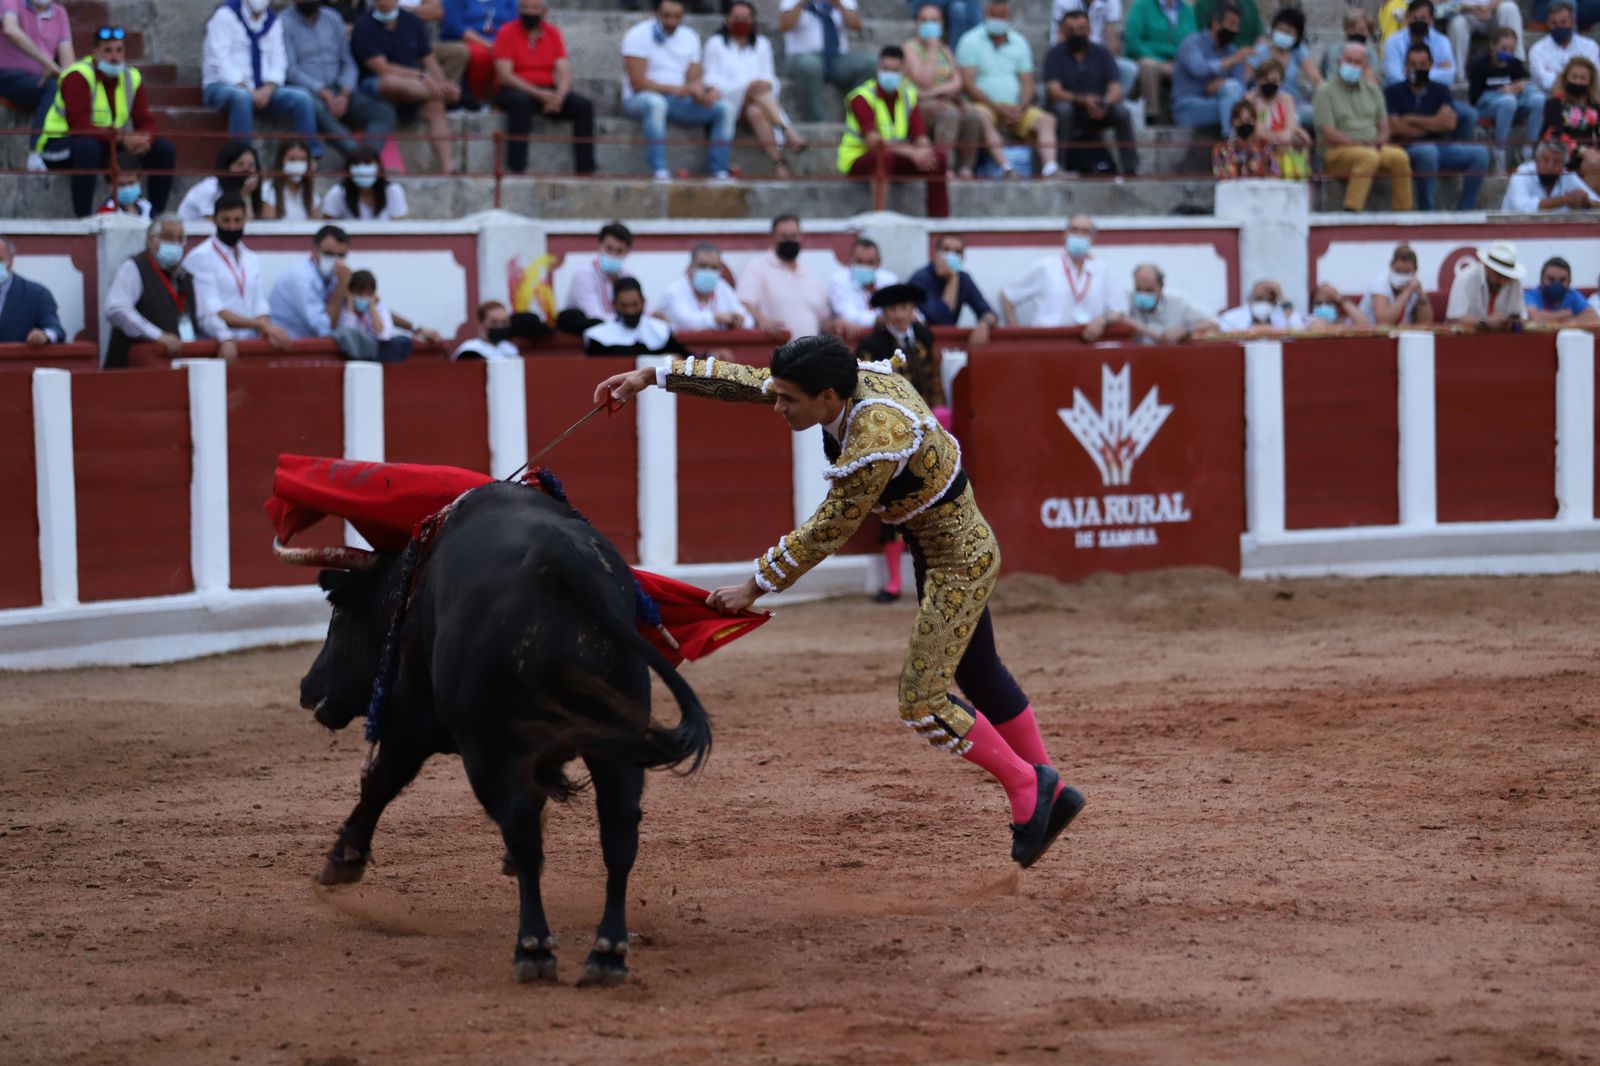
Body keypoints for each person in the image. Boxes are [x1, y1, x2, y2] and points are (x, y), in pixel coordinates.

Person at [595, 338, 1088, 868]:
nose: (777, 406)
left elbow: (830, 528)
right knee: (981, 672)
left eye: (788, 400)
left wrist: (753, 586)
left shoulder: (878, 432)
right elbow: (745, 382)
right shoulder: (842, 388)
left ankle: (1028, 784)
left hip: (958, 562)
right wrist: (651, 377)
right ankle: (1049, 792)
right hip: (945, 548)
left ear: (827, 397)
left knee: (922, 703)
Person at [855, 282, 944, 606]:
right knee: (893, 504)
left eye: (905, 307)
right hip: (891, 434)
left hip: (927, 430)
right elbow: (864, 390)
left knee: (932, 500)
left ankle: (935, 574)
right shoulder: (872, 344)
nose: (900, 314)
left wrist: (938, 417)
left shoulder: (922, 337)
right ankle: (894, 581)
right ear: (885, 312)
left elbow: (932, 381)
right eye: (893, 309)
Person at [35, 26, 176, 218]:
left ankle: (156, 217)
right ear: (95, 53)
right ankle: (83, 220)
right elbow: (79, 126)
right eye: (107, 51)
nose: (115, 57)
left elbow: (146, 120)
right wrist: (122, 138)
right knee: (88, 148)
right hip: (58, 146)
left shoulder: (131, 76)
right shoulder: (78, 75)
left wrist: (144, 139)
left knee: (163, 150)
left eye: (119, 50)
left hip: (106, 143)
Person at [620, 0, 734, 183]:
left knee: (725, 108)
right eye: (666, 16)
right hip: (639, 99)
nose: (671, 21)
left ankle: (719, 171)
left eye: (676, 17)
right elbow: (637, 83)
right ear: (656, 13)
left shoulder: (689, 37)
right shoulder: (637, 35)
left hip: (678, 102)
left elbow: (694, 78)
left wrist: (703, 92)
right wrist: (678, 90)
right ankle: (659, 171)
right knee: (656, 103)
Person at [200, 0, 321, 161]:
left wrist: (269, 88)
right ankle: (242, 159)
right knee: (241, 97)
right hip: (221, 86)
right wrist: (246, 89)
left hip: (262, 90)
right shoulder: (225, 15)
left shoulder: (273, 22)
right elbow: (218, 60)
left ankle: (310, 157)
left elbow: (279, 62)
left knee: (303, 98)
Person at [839, 46, 950, 217]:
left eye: (894, 70)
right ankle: (880, 218)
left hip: (894, 156)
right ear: (877, 69)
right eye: (885, 69)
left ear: (903, 71)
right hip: (859, 160)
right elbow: (873, 142)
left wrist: (924, 152)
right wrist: (912, 153)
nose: (889, 74)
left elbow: (919, 134)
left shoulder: (907, 95)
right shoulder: (861, 97)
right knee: (883, 157)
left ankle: (940, 223)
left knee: (938, 158)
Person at [352, 0, 460, 174]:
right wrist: (425, 78)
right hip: (375, 85)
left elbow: (429, 58)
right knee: (392, 82)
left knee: (435, 107)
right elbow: (382, 69)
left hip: (415, 87)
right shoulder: (363, 26)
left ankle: (448, 167)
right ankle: (443, 94)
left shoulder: (412, 21)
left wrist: (441, 82)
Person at [283, 0, 398, 163]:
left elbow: (348, 62)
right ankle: (361, 160)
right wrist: (323, 92)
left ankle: (366, 158)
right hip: (309, 92)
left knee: (383, 112)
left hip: (340, 88)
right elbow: (290, 69)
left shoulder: (333, 18)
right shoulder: (283, 23)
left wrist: (344, 93)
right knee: (311, 106)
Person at [491, 0, 595, 176]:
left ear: (544, 11)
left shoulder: (553, 33)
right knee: (521, 103)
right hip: (513, 90)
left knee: (583, 106)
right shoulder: (506, 32)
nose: (529, 12)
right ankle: (517, 168)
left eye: (534, 8)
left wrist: (560, 96)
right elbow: (505, 75)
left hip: (546, 90)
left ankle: (586, 170)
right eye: (525, 8)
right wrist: (538, 94)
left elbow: (564, 71)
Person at [956, 0, 1060, 177]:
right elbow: (967, 83)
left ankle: (1050, 168)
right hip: (985, 106)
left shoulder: (1020, 42)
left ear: (1009, 16)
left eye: (1001, 16)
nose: (997, 20)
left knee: (1047, 120)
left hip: (1015, 108)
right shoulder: (970, 40)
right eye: (993, 16)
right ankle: (1007, 168)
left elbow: (1028, 82)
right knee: (980, 116)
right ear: (985, 15)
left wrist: (1021, 107)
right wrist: (995, 107)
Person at [182, 194, 290, 362]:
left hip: (250, 344)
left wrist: (265, 327)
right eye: (226, 220)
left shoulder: (251, 257)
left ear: (245, 220)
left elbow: (259, 304)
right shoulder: (201, 257)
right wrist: (262, 325)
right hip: (216, 345)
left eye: (237, 220)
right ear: (214, 220)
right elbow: (213, 310)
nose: (232, 226)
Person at [704, 1, 805, 178]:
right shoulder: (715, 44)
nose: (741, 22)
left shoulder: (761, 44)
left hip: (758, 102)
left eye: (745, 18)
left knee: (755, 112)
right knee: (754, 90)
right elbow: (711, 78)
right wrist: (745, 86)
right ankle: (788, 131)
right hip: (730, 98)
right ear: (727, 20)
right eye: (737, 18)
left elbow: (768, 76)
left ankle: (778, 163)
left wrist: (762, 83)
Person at [1385, 43, 1490, 211]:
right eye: (1413, 64)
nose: (1418, 68)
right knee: (1427, 151)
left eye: (1422, 64)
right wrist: (1434, 123)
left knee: (1480, 154)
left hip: (1441, 148)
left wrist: (1411, 118)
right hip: (1407, 149)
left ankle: (1464, 212)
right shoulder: (1393, 92)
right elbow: (1395, 127)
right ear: (1405, 66)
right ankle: (1428, 214)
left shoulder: (1440, 90)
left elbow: (1449, 123)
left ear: (1430, 64)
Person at [1313, 43, 1414, 211]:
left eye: (1357, 62)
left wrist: (1378, 142)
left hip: (1372, 147)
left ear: (1365, 66)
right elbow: (1328, 132)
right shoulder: (1325, 92)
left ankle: (1403, 212)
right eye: (1349, 61)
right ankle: (1352, 210)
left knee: (1399, 157)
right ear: (1339, 62)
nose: (1352, 65)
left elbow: (1384, 128)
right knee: (1367, 157)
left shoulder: (1373, 90)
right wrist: (1361, 146)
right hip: (1337, 151)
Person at [1044, 7, 1138, 175]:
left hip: (1098, 108)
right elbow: (1053, 91)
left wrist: (1105, 103)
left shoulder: (1102, 53)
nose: (1077, 33)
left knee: (1121, 112)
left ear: (1089, 30)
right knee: (1062, 110)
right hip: (1072, 108)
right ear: (1064, 32)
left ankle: (1130, 168)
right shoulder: (1054, 55)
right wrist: (1082, 100)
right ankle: (1060, 167)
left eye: (1081, 29)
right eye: (1071, 30)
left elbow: (1115, 87)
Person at [903, 3, 993, 178]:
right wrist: (931, 50)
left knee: (971, 113)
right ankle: (944, 165)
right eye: (925, 20)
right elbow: (925, 81)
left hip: (937, 98)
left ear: (942, 23)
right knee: (949, 113)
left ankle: (966, 167)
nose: (930, 24)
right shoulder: (909, 49)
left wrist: (936, 93)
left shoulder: (945, 50)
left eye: (934, 20)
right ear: (917, 23)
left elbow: (957, 81)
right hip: (918, 106)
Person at [104, 216, 201, 368]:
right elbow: (116, 309)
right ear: (151, 240)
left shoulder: (183, 276)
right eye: (168, 237)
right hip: (134, 367)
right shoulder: (134, 267)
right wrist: (157, 335)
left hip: (175, 363)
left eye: (180, 239)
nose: (175, 244)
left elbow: (202, 315)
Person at [1000, 214, 1116, 335]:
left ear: (1093, 238)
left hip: (1089, 343)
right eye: (1074, 230)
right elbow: (1007, 296)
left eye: (1085, 231)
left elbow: (1118, 310)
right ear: (1065, 235)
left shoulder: (1103, 270)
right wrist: (1017, 334)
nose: (1079, 235)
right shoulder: (1045, 267)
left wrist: (1102, 320)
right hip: (1050, 343)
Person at [0, 0, 73, 174]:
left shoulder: (59, 12)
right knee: (52, 87)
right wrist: (48, 63)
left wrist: (70, 82)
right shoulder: (11, 2)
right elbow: (11, 30)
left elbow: (68, 61)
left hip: (41, 81)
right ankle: (35, 153)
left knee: (66, 88)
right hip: (7, 75)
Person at [778, 0, 876, 123]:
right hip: (802, 56)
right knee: (810, 66)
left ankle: (856, 116)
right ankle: (817, 122)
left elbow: (857, 25)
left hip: (836, 57)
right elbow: (784, 26)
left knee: (871, 63)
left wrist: (838, 5)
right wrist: (802, 3)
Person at [737, 214, 833, 336]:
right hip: (776, 351)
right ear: (773, 238)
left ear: (800, 237)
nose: (789, 241)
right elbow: (744, 302)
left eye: (794, 236)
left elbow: (823, 318)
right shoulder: (757, 268)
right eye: (784, 236)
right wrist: (761, 320)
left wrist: (837, 323)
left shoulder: (809, 275)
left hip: (811, 352)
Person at [1470, 26, 1544, 172]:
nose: (1507, 53)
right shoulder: (1480, 65)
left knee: (1539, 99)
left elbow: (1524, 82)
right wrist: (1500, 93)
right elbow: (1475, 98)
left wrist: (1521, 87)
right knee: (1507, 101)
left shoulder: (1515, 63)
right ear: (1493, 46)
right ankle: (1499, 152)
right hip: (1487, 107)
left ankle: (1527, 150)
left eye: (1511, 49)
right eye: (1503, 48)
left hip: (1513, 105)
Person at [1171, 1, 1251, 132]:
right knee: (1234, 108)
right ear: (1215, 23)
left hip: (1220, 102)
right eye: (1231, 24)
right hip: (1187, 107)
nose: (1234, 30)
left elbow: (1240, 87)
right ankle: (1231, 141)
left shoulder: (1232, 50)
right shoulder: (1192, 42)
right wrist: (1231, 61)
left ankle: (1230, 138)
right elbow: (1199, 69)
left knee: (1235, 96)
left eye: (1237, 25)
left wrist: (1222, 85)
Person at [906, 232, 998, 344]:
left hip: (948, 344)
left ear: (963, 257)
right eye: (946, 250)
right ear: (936, 253)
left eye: (957, 252)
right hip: (920, 343)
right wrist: (952, 279)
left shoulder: (964, 279)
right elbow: (942, 320)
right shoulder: (921, 278)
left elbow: (989, 312)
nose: (951, 255)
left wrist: (984, 324)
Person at [268, 225, 353, 341]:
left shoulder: (335, 275)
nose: (336, 261)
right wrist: (341, 285)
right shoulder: (301, 277)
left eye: (341, 256)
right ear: (314, 249)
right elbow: (323, 328)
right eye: (329, 254)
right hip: (284, 347)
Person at [650, 243, 755, 332]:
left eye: (713, 268)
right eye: (702, 266)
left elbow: (748, 321)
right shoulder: (675, 291)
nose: (708, 271)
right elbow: (685, 321)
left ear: (720, 271)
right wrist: (715, 319)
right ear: (690, 268)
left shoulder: (722, 286)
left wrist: (738, 320)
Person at [334, 269, 432, 362]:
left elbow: (383, 335)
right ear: (351, 293)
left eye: (367, 294)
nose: (363, 298)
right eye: (359, 294)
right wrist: (350, 307)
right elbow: (348, 334)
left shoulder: (380, 308)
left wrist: (372, 308)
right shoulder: (345, 308)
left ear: (373, 294)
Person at [1123, 0, 1196, 125]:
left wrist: (1179, 63)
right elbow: (1132, 43)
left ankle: (1190, 115)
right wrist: (1162, 62)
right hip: (1148, 59)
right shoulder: (1141, 6)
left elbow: (1194, 43)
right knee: (1149, 66)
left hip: (1179, 62)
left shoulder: (1187, 10)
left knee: (1198, 67)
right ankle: (1152, 116)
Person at [1051, 0, 1138, 101]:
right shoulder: (1063, 2)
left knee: (1129, 69)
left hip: (1100, 57)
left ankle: (1108, 104)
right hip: (1071, 55)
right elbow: (1060, 38)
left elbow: (1111, 38)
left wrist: (1104, 64)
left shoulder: (1111, 2)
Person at [1248, 6, 1318, 130]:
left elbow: (1316, 79)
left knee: (1319, 118)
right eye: (1280, 30)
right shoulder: (1259, 52)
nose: (1283, 35)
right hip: (1265, 104)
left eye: (1288, 33)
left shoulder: (1298, 52)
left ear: (1297, 36)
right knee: (1266, 123)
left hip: (1293, 105)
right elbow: (1245, 79)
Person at [583, 277, 690, 356]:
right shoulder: (598, 338)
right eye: (624, 306)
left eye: (634, 305)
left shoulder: (661, 331)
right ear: (614, 304)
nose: (630, 311)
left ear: (643, 302)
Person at [438, 0, 516, 106]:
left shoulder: (509, 1)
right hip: (467, 40)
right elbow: (456, 26)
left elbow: (515, 24)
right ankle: (479, 99)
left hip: (501, 41)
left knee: (509, 56)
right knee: (482, 56)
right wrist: (488, 44)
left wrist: (502, 44)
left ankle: (501, 100)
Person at [1117, 262, 1218, 343]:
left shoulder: (1178, 303)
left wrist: (1185, 329)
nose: (1143, 295)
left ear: (1161, 287)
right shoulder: (1128, 298)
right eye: (1139, 290)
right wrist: (1153, 334)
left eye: (1149, 290)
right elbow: (1114, 315)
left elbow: (1214, 322)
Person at [1541, 56, 1600, 190]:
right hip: (1560, 154)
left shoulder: (1596, 106)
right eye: (1574, 77)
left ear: (1590, 82)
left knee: (1596, 164)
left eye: (1582, 78)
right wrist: (1583, 152)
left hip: (1591, 157)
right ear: (1566, 78)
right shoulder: (1554, 103)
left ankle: (1588, 203)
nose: (1578, 81)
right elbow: (1554, 132)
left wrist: (1596, 154)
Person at [564, 222, 634, 329]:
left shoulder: (627, 277)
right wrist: (630, 320)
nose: (613, 255)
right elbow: (595, 318)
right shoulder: (584, 276)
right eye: (609, 249)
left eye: (619, 251)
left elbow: (638, 311)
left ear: (627, 252)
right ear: (600, 246)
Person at [1502, 136, 1600, 211]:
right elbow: (1524, 208)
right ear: (1536, 160)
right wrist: (1565, 200)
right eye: (1546, 160)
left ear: (1563, 166)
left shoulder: (1568, 176)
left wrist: (1586, 201)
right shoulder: (1522, 174)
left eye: (1556, 162)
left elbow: (1597, 203)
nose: (1550, 166)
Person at [1445, 240, 1526, 329]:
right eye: (1499, 275)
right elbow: (1453, 320)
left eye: (1507, 277)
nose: (1502, 282)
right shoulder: (1466, 278)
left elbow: (1520, 316)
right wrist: (1484, 322)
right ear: (1487, 267)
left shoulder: (1514, 281)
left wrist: (1514, 321)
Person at [1243, 58, 1309, 167]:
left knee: (1301, 138)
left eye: (1274, 81)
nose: (1270, 84)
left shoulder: (1286, 99)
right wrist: (1281, 139)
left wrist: (1286, 137)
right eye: (1265, 80)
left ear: (1281, 81)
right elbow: (1259, 132)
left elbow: (1290, 127)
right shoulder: (1251, 100)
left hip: (1283, 146)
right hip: (1259, 148)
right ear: (1258, 80)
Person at [177, 140, 265, 221]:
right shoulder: (210, 189)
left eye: (251, 166)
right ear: (227, 167)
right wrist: (243, 196)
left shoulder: (251, 190)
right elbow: (222, 225)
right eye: (240, 164)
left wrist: (247, 197)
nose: (246, 171)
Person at [1381, 1, 1460, 90]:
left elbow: (1449, 76)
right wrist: (1434, 71)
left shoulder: (1442, 41)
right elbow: (1394, 77)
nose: (1418, 22)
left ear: (1431, 20)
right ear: (1407, 17)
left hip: (1434, 95)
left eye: (1423, 18)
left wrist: (1410, 73)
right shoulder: (1393, 42)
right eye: (1414, 18)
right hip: (1402, 96)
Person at [1445, 1, 1524, 90]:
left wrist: (1489, 8)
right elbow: (1444, 6)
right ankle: (1458, 76)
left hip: (1493, 13)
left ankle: (1517, 64)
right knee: (1457, 23)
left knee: (1509, 7)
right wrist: (1472, 9)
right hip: (1465, 14)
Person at [0, 236, 64, 346]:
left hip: (18, 361)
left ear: (11, 259)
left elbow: (55, 330)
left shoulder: (37, 295)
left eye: (0, 259)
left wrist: (43, 336)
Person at [828, 237, 898, 334]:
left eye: (870, 262)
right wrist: (880, 319)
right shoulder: (838, 281)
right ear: (851, 260)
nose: (865, 267)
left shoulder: (889, 280)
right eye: (859, 262)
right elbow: (849, 315)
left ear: (878, 262)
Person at [321, 145, 409, 219]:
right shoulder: (337, 193)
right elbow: (327, 229)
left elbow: (399, 226)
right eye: (356, 164)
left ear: (379, 168)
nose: (362, 170)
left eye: (367, 163)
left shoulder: (393, 191)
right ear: (348, 170)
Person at [1529, 2, 1600, 95]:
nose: (1559, 27)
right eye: (1553, 23)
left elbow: (1594, 74)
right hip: (1551, 98)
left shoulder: (1589, 46)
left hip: (1585, 96)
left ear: (1573, 22)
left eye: (1563, 22)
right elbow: (1543, 81)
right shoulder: (1537, 49)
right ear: (1547, 23)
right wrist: (1577, 79)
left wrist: (1558, 78)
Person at [1360, 244, 1434, 326]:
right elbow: (1384, 322)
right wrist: (1407, 290)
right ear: (1391, 267)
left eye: (1407, 272)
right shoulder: (1379, 283)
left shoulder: (1415, 286)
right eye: (1398, 271)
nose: (1402, 276)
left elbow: (1426, 322)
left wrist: (1422, 296)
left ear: (1415, 272)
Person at [1524, 256, 1600, 326]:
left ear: (1569, 281)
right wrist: (1565, 315)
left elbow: (1594, 318)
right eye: (1551, 279)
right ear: (1541, 279)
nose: (1556, 284)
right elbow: (1534, 318)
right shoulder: (1530, 296)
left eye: (1562, 280)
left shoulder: (1572, 295)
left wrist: (1566, 323)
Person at [1213, 99, 1279, 176]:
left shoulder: (1264, 147)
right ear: (1232, 122)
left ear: (1254, 121)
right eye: (1240, 121)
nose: (1244, 124)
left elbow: (1273, 174)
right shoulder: (1221, 149)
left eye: (1248, 120)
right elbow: (1221, 176)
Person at [262, 139, 322, 221]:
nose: (297, 165)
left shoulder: (312, 195)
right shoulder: (268, 191)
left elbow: (316, 226)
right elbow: (267, 228)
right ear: (281, 160)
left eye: (302, 160)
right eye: (292, 159)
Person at [1318, 7, 1379, 85]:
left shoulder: (1372, 55)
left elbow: (1372, 85)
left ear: (1369, 33)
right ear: (1346, 30)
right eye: (1352, 29)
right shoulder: (1332, 51)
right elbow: (1327, 77)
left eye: (1361, 30)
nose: (1357, 33)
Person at [1217, 278, 1303, 332]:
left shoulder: (1281, 319)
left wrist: (1281, 297)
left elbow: (1299, 329)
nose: (1262, 303)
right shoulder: (1231, 318)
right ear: (1250, 299)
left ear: (1274, 304)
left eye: (1268, 300)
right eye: (1259, 299)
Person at [453, 300, 521, 360]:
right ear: (481, 323)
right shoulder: (469, 350)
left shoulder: (510, 348)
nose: (500, 326)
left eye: (504, 322)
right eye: (494, 322)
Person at [1303, 282, 1372, 330]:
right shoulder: (1306, 321)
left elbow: (1365, 324)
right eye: (1318, 303)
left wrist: (1338, 297)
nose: (1323, 307)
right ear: (1312, 306)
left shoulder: (1345, 322)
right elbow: (1318, 327)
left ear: (1336, 306)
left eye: (1328, 303)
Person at [1193, 0, 1259, 46]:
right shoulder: (1204, 4)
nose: (1235, 29)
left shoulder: (1250, 4)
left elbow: (1260, 36)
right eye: (1231, 24)